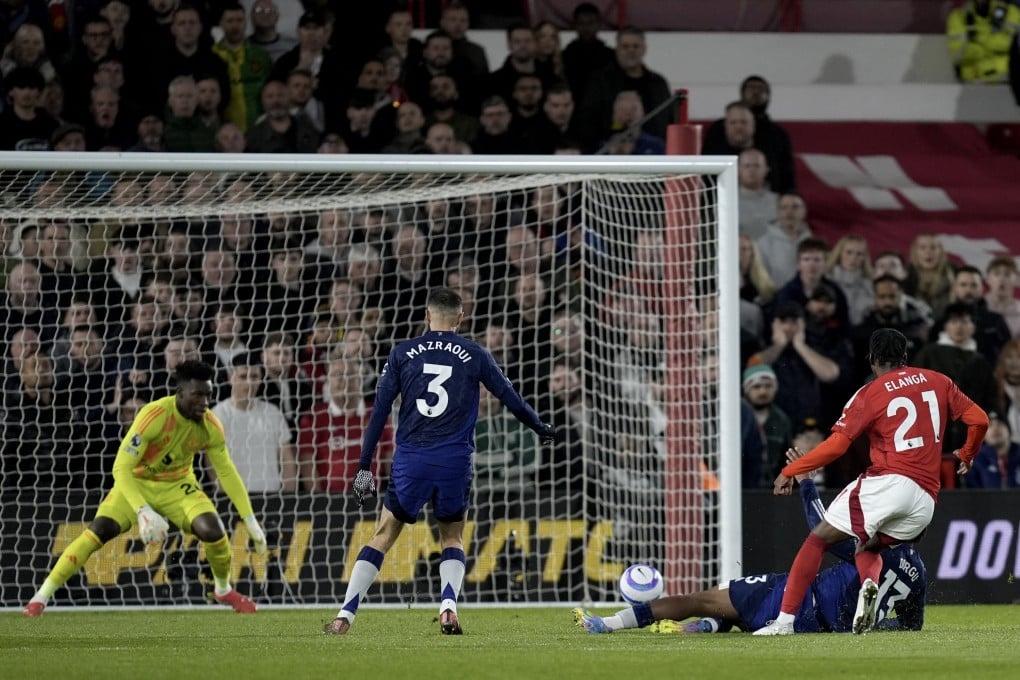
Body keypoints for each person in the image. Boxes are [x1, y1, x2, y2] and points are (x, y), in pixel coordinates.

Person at [324, 287, 556, 636]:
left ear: (426, 315)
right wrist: (541, 427)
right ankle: (448, 606)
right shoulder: (475, 353)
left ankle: (345, 616)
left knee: (384, 534)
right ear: (460, 318)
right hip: (454, 461)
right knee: (452, 536)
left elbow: (379, 413)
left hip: (412, 459)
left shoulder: (402, 353)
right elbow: (511, 399)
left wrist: (364, 468)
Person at [752, 328, 988, 635]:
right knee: (868, 545)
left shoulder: (869, 393)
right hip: (926, 500)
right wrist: (968, 453)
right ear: (905, 357)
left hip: (890, 483)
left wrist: (791, 469)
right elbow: (980, 419)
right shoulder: (938, 380)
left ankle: (783, 622)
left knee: (818, 539)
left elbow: (837, 446)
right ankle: (868, 587)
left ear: (872, 360)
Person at [573, 448, 927, 634]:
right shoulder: (917, 573)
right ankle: (713, 626)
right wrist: (879, 621)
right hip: (817, 628)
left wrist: (805, 481)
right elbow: (912, 625)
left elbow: (820, 527)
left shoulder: (869, 544)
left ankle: (610, 623)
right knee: (731, 604)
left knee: (701, 598)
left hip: (798, 600)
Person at [23, 360, 269, 617]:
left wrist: (250, 519)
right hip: (137, 484)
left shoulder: (211, 426)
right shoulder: (154, 416)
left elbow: (226, 471)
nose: (204, 402)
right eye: (197, 395)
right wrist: (143, 511)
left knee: (214, 532)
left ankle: (222, 589)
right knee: (99, 530)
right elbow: (121, 468)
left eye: (208, 395)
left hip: (178, 485)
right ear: (180, 393)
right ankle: (41, 597)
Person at [946, 0, 1019, 83]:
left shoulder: (1012, 12)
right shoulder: (958, 16)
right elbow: (957, 54)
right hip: (972, 84)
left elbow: (1014, 48)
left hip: (1007, 83)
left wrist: (979, 39)